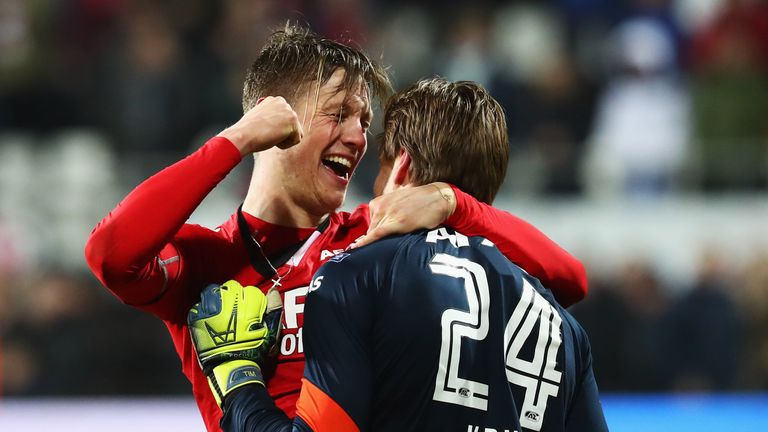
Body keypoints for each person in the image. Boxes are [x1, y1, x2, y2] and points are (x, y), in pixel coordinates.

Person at [85, 25, 588, 432]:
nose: (358, 137)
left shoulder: (373, 236)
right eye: (339, 114)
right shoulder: (203, 261)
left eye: (365, 122)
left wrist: (453, 202)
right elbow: (111, 253)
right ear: (272, 118)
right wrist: (235, 140)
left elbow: (565, 282)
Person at [191, 78, 608, 431]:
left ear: (401, 167)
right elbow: (573, 279)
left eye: (378, 167)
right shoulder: (564, 329)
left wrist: (238, 376)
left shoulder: (356, 276)